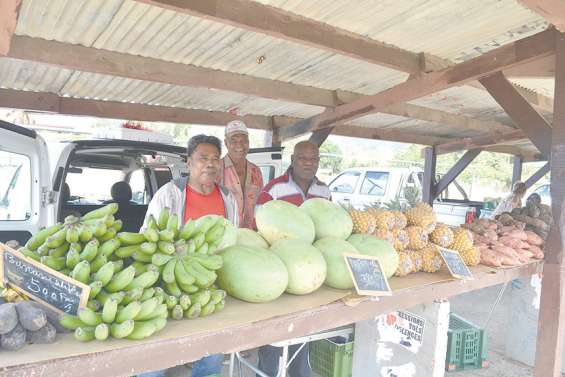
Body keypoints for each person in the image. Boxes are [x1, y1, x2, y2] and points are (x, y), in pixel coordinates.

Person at [139, 134, 238, 377]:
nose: (210, 164)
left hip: (209, 285)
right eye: (203, 158)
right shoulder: (169, 194)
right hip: (168, 283)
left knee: (212, 354)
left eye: (215, 158)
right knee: (155, 356)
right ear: (188, 162)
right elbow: (146, 237)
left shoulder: (227, 198)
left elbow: (233, 241)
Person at [255, 140, 330, 377]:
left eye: (314, 159)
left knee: (303, 336)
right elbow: (260, 229)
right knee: (273, 343)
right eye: (302, 158)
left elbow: (328, 234)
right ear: (292, 160)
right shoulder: (273, 190)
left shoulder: (324, 191)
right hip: (278, 275)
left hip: (309, 274)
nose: (309, 163)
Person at [219, 120, 264, 229]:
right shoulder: (217, 169)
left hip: (251, 234)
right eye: (233, 141)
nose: (239, 146)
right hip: (224, 233)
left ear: (248, 142)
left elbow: (260, 203)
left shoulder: (256, 171)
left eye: (244, 141)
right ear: (226, 143)